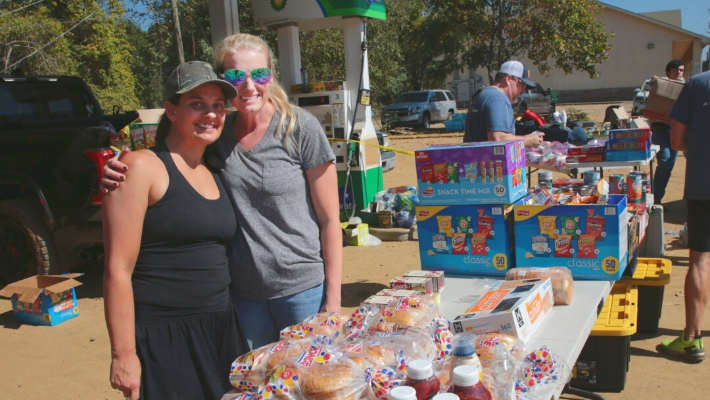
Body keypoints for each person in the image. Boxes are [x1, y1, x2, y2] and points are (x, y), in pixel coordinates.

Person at [103, 34, 342, 351]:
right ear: (222, 80)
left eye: (259, 74)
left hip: (301, 290)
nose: (248, 86)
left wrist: (333, 301)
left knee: (311, 384)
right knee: (253, 385)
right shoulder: (215, 130)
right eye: (235, 76)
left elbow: (330, 220)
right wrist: (122, 167)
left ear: (271, 74)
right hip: (242, 295)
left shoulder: (300, 127)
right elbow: (174, 153)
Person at [103, 61, 248, 399]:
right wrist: (122, 355)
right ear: (170, 110)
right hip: (165, 335)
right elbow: (117, 270)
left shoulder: (214, 171)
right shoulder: (140, 167)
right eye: (197, 103)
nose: (210, 114)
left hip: (221, 327)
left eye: (217, 106)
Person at [657, 69, 710, 363]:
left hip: (704, 185)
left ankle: (692, 338)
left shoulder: (698, 84)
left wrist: (700, 150)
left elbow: (676, 141)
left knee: (701, 260)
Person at [463, 60, 545, 148]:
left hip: (476, 159)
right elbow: (497, 139)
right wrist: (526, 140)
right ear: (509, 79)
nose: (524, 90)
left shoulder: (484, 95)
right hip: (488, 160)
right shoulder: (498, 99)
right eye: (523, 84)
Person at [650, 59, 685, 205]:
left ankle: (657, 198)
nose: (678, 73)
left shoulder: (686, 88)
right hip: (660, 129)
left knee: (669, 164)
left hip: (677, 129)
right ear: (668, 72)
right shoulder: (661, 86)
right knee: (664, 161)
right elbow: (651, 106)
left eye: (681, 70)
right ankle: (654, 197)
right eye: (675, 70)